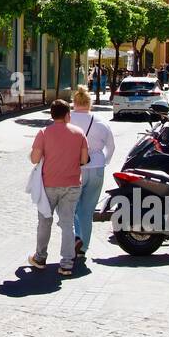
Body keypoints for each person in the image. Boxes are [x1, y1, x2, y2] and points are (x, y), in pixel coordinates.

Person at [28, 98, 89, 276]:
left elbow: (34, 158)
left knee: (44, 222)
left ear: (52, 115)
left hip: (48, 185)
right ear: (68, 115)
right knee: (67, 224)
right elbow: (84, 160)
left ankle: (40, 257)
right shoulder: (79, 133)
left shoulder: (43, 133)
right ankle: (67, 263)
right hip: (72, 184)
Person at [70, 86, 116, 259]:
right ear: (90, 103)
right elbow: (111, 146)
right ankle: (83, 247)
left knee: (72, 207)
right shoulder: (101, 121)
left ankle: (76, 237)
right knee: (87, 210)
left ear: (74, 103)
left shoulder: (68, 120)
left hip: (74, 168)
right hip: (96, 167)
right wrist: (104, 161)